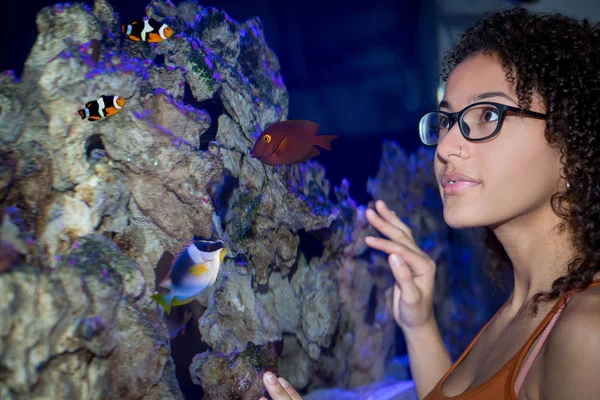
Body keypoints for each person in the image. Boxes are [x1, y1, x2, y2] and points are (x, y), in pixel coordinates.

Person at [259, 6, 600, 400]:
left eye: (488, 114)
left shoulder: (587, 330)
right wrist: (419, 322)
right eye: (445, 121)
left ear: (571, 142)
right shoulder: (517, 310)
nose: (448, 146)